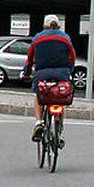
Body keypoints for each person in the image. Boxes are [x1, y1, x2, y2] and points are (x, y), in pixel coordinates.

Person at [23, 14, 75, 142]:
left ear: (44, 26)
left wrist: (26, 72)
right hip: (62, 73)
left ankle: (39, 122)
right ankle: (59, 131)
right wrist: (69, 71)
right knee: (60, 96)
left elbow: (29, 59)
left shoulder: (37, 38)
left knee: (38, 94)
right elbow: (72, 57)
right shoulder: (66, 37)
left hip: (42, 73)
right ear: (58, 26)